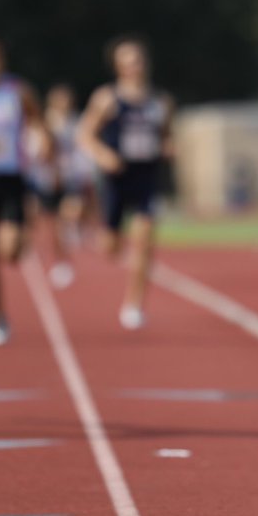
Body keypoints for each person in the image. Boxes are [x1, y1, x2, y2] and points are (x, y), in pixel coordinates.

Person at [77, 36, 174, 330]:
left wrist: (169, 147)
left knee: (144, 240)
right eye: (128, 61)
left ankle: (134, 304)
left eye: (138, 60)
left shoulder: (160, 102)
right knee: (110, 247)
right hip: (116, 177)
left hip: (146, 176)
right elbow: (84, 134)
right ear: (118, 66)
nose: (135, 66)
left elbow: (166, 135)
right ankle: (105, 233)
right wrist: (103, 154)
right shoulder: (107, 98)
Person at [0, 39, 47, 346]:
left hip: (12, 177)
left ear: (1, 62)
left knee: (10, 251)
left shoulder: (18, 91)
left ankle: (21, 235)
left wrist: (43, 141)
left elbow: (37, 120)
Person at [27, 83, 95, 289]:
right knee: (52, 225)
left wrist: (84, 171)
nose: (64, 104)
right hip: (47, 180)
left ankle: (74, 227)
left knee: (72, 210)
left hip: (69, 177)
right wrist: (44, 150)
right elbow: (35, 151)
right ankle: (60, 259)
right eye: (60, 100)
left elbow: (82, 148)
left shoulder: (76, 123)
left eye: (67, 100)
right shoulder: (43, 123)